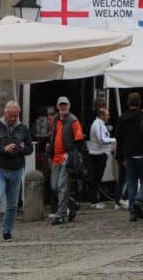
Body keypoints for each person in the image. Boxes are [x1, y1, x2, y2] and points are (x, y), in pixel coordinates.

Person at [0, 101, 33, 243]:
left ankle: (7, 231)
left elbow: (30, 149)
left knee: (12, 203)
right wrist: (3, 149)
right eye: (11, 115)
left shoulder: (23, 128)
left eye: (15, 116)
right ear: (5, 113)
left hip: (16, 169)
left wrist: (20, 149)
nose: (13, 119)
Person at [114, 92, 143, 222]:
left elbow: (118, 137)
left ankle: (132, 211)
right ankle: (138, 200)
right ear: (139, 102)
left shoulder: (122, 118)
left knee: (131, 183)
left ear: (128, 103)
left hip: (129, 155)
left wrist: (121, 157)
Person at [47, 96, 86, 225]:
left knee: (62, 186)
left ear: (69, 106)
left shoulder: (73, 120)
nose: (63, 107)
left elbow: (79, 140)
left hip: (66, 157)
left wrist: (71, 155)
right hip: (55, 157)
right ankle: (72, 203)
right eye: (61, 105)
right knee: (54, 186)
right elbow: (52, 136)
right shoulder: (55, 120)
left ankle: (61, 214)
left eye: (65, 105)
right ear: (58, 106)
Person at [86, 99, 115, 209]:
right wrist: (114, 140)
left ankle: (94, 200)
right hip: (98, 154)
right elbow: (101, 139)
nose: (108, 116)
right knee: (96, 178)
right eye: (107, 115)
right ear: (102, 115)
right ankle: (94, 201)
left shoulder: (100, 124)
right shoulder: (97, 124)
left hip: (99, 153)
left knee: (97, 178)